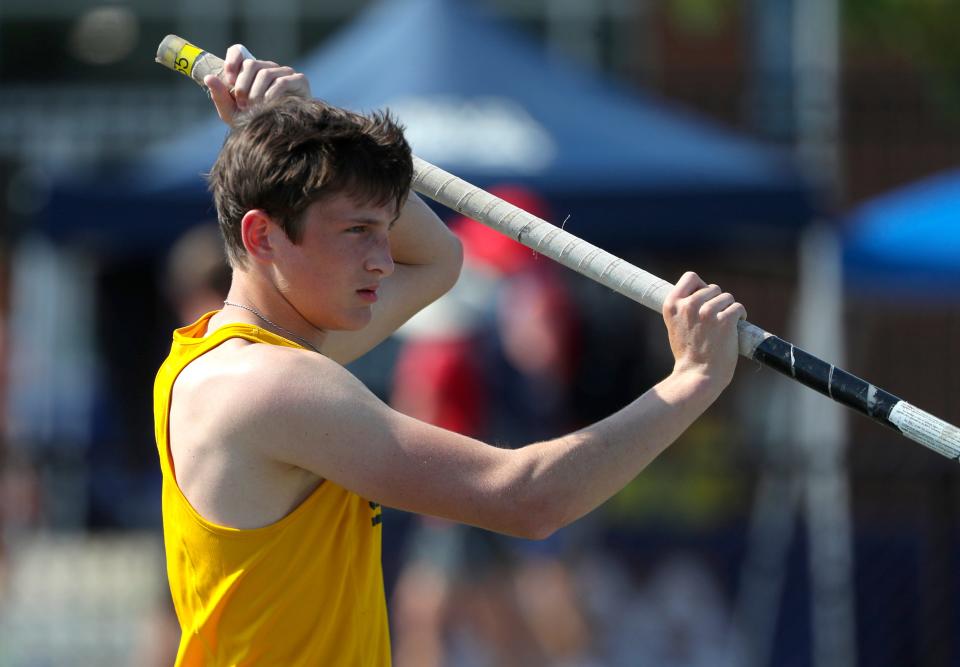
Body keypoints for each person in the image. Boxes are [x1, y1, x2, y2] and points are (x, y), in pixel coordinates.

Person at [153, 45, 747, 666]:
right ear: (262, 235)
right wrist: (692, 381)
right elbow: (525, 498)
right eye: (357, 232)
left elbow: (436, 259)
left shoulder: (224, 360)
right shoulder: (271, 385)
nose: (383, 259)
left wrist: (306, 121)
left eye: (384, 231)